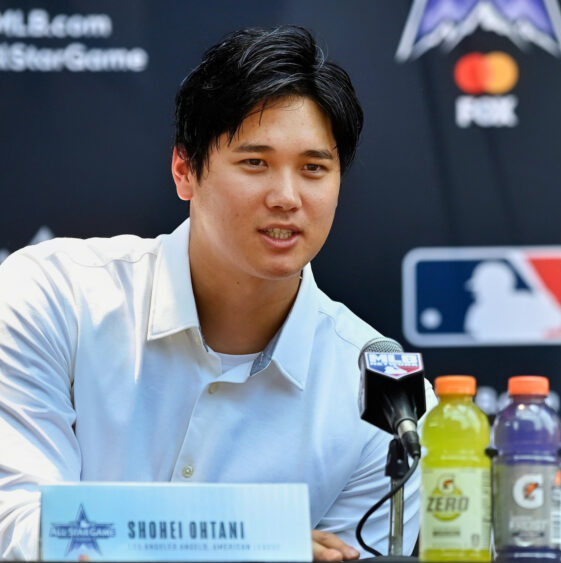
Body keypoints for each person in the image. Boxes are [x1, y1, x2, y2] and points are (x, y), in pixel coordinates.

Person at [0, 26, 429, 561]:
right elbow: (18, 528)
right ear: (185, 170)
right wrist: (256, 545)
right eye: (255, 163)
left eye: (314, 168)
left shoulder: (386, 394)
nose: (287, 197)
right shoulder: (54, 296)